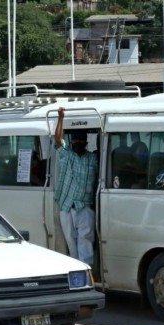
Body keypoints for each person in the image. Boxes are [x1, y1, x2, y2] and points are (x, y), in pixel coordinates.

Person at [54, 107, 98, 265]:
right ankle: (76, 268)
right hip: (67, 206)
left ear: (86, 143)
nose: (78, 144)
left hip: (84, 207)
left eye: (81, 142)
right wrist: (61, 118)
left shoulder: (92, 159)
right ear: (71, 142)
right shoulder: (67, 156)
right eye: (75, 142)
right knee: (70, 241)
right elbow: (58, 141)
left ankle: (86, 269)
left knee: (85, 240)